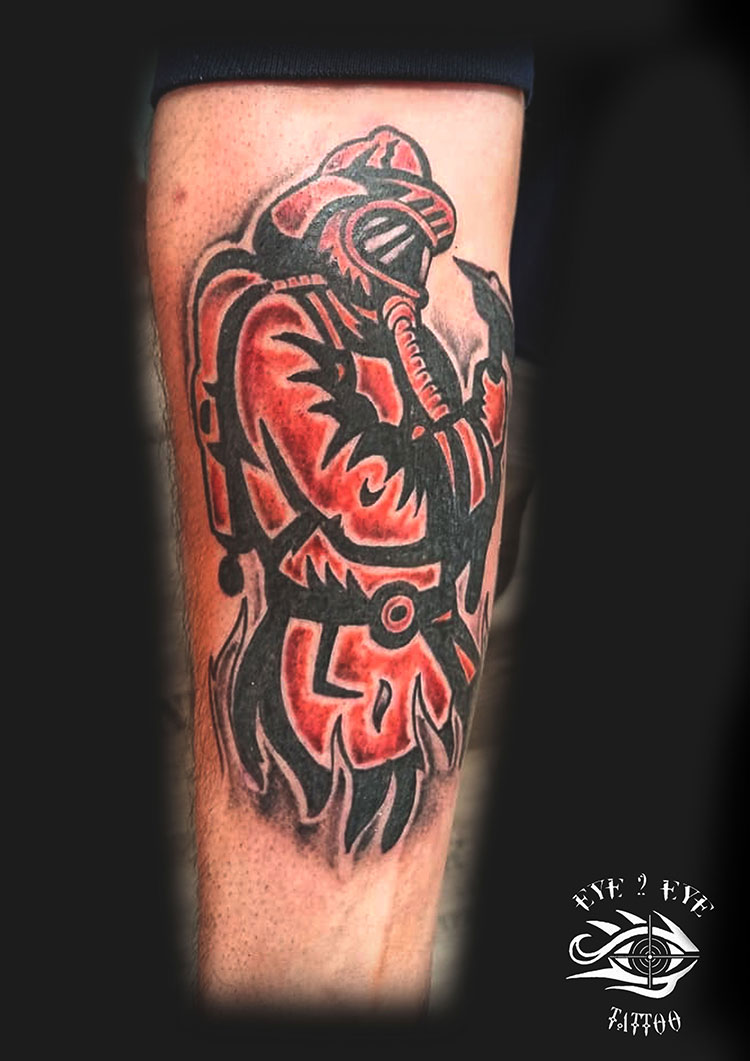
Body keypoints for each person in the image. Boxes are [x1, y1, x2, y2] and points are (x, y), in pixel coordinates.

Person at [146, 31, 532, 1010]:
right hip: (323, 688)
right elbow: (380, 498)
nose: (408, 255)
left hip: (411, 675)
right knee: (324, 975)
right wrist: (461, 420)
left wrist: (436, 376)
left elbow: (434, 486)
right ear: (332, 225)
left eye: (416, 237)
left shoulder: (391, 347)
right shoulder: (279, 331)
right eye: (386, 227)